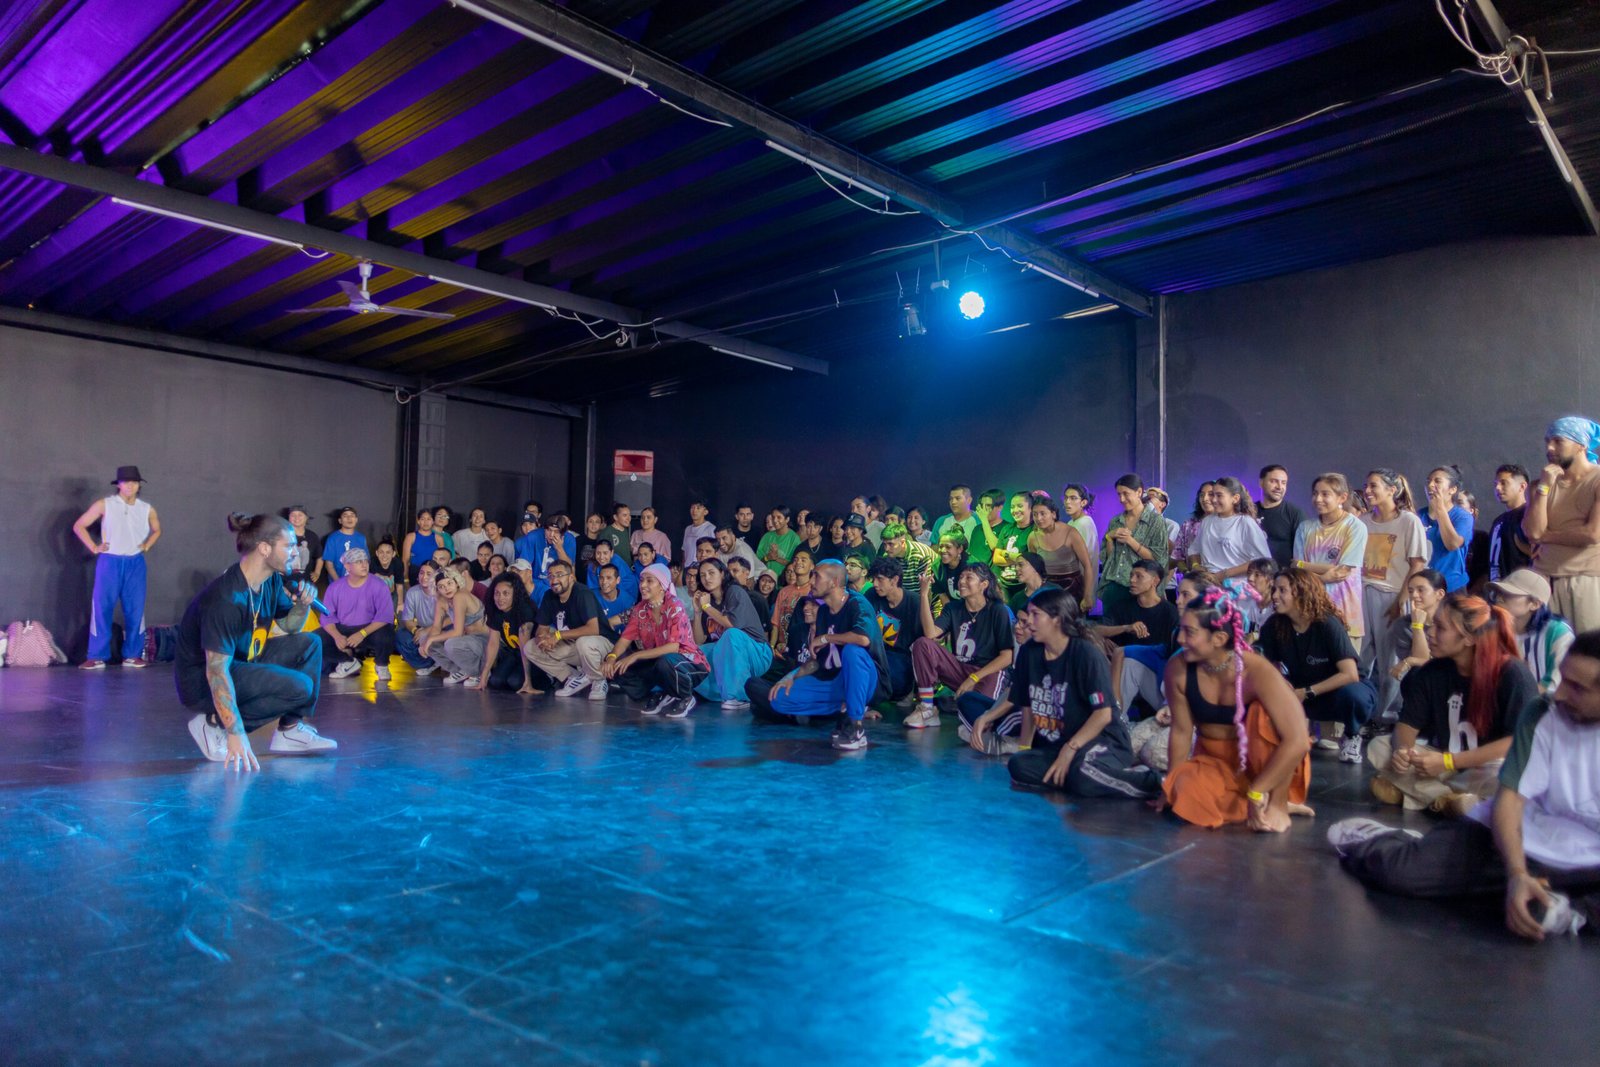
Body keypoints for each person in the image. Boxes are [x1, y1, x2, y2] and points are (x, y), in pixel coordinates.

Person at [1328, 631, 1600, 942]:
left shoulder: (1511, 674)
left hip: (1588, 862)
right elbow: (1510, 800)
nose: (1560, 693)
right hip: (1516, 840)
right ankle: (1391, 842)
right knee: (1403, 874)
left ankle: (1568, 910)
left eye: (1577, 688)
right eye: (1563, 679)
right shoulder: (1542, 713)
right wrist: (1517, 874)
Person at [176, 513, 335, 769]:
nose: (295, 552)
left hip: (244, 660)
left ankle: (290, 731)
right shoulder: (227, 598)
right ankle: (213, 725)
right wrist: (235, 732)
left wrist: (303, 605)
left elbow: (290, 627)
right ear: (264, 548)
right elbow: (216, 671)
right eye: (289, 546)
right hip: (202, 682)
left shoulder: (270, 580)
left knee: (310, 644)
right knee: (300, 687)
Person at [969, 590, 1160, 799]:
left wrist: (1070, 749)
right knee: (1019, 765)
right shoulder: (1030, 652)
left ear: (1057, 620)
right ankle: (1086, 777)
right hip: (1059, 744)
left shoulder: (1084, 654)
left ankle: (1151, 783)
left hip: (1103, 741)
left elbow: (1103, 715)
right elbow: (1028, 706)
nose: (1028, 621)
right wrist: (1023, 747)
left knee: (1081, 775)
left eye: (1035, 615)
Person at [1368, 593, 1538, 817]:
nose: (1430, 632)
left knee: (1504, 775)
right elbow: (1407, 725)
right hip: (1444, 764)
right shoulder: (1432, 671)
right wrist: (1403, 752)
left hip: (1485, 767)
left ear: (1469, 638)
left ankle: (1423, 795)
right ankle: (1451, 800)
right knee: (1380, 747)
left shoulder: (1513, 674)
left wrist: (1449, 761)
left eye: (1440, 627)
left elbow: (1515, 742)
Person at [1160, 585, 1313, 831]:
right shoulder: (1177, 668)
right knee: (1184, 791)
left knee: (1262, 716)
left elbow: (1298, 741)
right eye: (1181, 630)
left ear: (1219, 639)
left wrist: (1258, 790)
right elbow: (1181, 731)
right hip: (1215, 764)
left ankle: (1277, 802)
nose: (1179, 639)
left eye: (1189, 632)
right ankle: (1251, 803)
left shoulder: (1258, 671)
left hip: (1268, 765)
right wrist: (1170, 787)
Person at [746, 560, 883, 751]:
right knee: (778, 698)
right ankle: (842, 711)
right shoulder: (824, 612)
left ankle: (855, 726)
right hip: (833, 681)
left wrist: (825, 638)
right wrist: (792, 676)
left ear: (834, 582)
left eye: (816, 576)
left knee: (852, 651)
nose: (811, 581)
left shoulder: (857, 603)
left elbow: (863, 639)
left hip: (866, 678)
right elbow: (818, 661)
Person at [1258, 569, 1376, 764]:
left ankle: (1352, 734)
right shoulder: (1274, 625)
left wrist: (1307, 692)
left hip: (1336, 691)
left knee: (1354, 696)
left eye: (1282, 590)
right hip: (1301, 689)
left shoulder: (1327, 623)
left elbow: (1350, 674)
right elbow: (1264, 663)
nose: (1275, 596)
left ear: (1301, 592)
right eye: (1274, 590)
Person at [906, 563, 1014, 729]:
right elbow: (930, 633)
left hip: (988, 673)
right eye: (961, 577)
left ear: (984, 584)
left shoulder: (998, 610)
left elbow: (1007, 657)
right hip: (960, 669)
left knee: (980, 716)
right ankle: (927, 708)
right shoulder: (953, 607)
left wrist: (974, 678)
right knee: (922, 644)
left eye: (969, 578)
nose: (961, 581)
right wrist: (924, 594)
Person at [73, 464, 160, 669]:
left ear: (139, 485)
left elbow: (157, 530)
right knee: (102, 607)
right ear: (118, 484)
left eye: (134, 482)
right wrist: (94, 547)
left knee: (135, 609)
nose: (130, 485)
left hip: (135, 562)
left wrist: (147, 545)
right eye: (125, 482)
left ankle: (132, 655)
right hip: (110, 561)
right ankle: (96, 655)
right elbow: (79, 525)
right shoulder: (105, 504)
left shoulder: (146, 508)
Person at [1359, 469, 1429, 722]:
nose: (1367, 491)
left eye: (1374, 486)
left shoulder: (1408, 521)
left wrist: (1402, 599)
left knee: (1390, 659)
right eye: (1366, 485)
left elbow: (1417, 564)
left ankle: (1385, 716)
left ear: (1391, 490)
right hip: (1362, 593)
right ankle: (1362, 713)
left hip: (1391, 595)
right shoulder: (1363, 521)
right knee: (1360, 656)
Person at [601, 563, 708, 718]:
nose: (643, 585)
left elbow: (673, 647)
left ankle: (685, 696)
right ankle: (658, 694)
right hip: (659, 661)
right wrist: (611, 658)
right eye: (642, 580)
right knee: (617, 664)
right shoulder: (640, 609)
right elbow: (625, 639)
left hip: (689, 663)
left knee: (665, 661)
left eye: (649, 581)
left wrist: (636, 655)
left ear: (662, 586)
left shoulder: (674, 605)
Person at [1524, 416, 1600, 632]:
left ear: (1581, 445)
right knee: (1545, 646)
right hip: (1543, 580)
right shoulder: (1539, 485)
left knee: (1587, 648)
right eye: (1548, 441)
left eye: (1558, 441)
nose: (1550, 448)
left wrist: (1546, 536)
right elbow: (1533, 532)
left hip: (1586, 580)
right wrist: (1544, 487)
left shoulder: (1596, 480)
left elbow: (1592, 534)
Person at [1293, 472, 1368, 651]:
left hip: (1344, 612)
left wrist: (1305, 566)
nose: (1318, 499)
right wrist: (1322, 576)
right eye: (1315, 493)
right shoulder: (1305, 527)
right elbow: (1296, 571)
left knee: (1346, 664)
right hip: (1310, 611)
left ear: (1342, 497)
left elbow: (1342, 571)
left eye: (1325, 494)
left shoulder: (1355, 526)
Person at [521, 559, 615, 700]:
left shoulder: (582, 593)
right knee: (531, 647)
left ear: (571, 577)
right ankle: (576, 678)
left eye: (559, 575)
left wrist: (558, 635)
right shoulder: (549, 595)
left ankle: (598, 680)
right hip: (576, 646)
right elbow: (542, 628)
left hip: (603, 646)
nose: (554, 580)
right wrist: (543, 638)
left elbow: (593, 629)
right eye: (551, 576)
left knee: (584, 642)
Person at [691, 558, 772, 710]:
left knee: (731, 634)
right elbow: (699, 640)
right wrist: (698, 611)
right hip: (728, 653)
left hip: (758, 653)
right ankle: (717, 694)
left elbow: (732, 624)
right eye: (702, 575)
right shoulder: (707, 601)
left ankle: (739, 696)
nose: (707, 578)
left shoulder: (734, 591)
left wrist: (706, 607)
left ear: (722, 573)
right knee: (697, 652)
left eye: (711, 573)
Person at [1098, 474, 1171, 620]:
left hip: (1140, 591)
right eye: (1119, 494)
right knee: (1110, 630)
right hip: (1114, 586)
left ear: (1139, 492)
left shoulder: (1155, 521)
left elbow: (1159, 559)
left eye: (1126, 494)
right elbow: (1110, 559)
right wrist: (1109, 538)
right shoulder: (1116, 521)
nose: (1122, 499)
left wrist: (1131, 541)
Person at [317, 547, 396, 681]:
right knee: (315, 640)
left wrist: (362, 633)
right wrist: (337, 636)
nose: (364, 565)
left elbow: (385, 616)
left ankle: (382, 665)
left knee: (387, 631)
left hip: (369, 629)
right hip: (343, 629)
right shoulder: (335, 587)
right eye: (359, 562)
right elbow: (327, 617)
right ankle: (347, 662)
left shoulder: (379, 585)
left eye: (366, 561)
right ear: (347, 566)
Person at [1491, 569, 1575, 694]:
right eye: (1498, 593)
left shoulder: (1557, 633)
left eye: (1508, 594)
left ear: (1535, 604)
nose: (1499, 598)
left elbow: (1556, 687)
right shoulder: (1492, 628)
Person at [1188, 477, 1271, 584]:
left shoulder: (1245, 522)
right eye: (1213, 495)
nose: (1214, 500)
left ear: (1235, 498)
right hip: (1208, 584)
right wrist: (1196, 566)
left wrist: (1223, 574)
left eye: (1219, 495)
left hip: (1236, 587)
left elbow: (1262, 559)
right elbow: (1194, 550)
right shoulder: (1207, 521)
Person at [418, 569, 489, 686]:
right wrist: (426, 642)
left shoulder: (460, 596)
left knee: (451, 644)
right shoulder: (441, 601)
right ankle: (460, 671)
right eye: (441, 586)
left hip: (484, 642)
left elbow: (458, 632)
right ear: (437, 589)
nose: (446, 588)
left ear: (456, 582)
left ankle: (478, 673)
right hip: (467, 641)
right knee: (424, 639)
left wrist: (431, 639)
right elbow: (436, 627)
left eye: (449, 583)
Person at [866, 558, 920, 701]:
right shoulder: (871, 595)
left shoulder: (914, 602)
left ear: (894, 580)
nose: (875, 584)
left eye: (880, 579)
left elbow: (922, 643)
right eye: (873, 579)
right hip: (875, 653)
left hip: (901, 659)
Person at [1028, 496, 1093, 609]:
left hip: (1073, 589)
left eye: (1043, 514)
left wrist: (1087, 596)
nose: (1038, 518)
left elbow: (1087, 566)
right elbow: (1034, 570)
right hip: (1048, 591)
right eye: (1035, 514)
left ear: (1053, 514)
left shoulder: (1071, 533)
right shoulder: (1032, 537)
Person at [472, 574, 535, 691]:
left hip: (532, 656)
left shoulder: (525, 610)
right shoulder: (495, 610)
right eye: (497, 593)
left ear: (515, 594)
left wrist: (528, 682)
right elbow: (493, 643)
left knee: (515, 682)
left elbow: (525, 647)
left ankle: (547, 678)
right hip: (513, 652)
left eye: (506, 593)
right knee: (495, 681)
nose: (500, 598)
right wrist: (484, 676)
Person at [1421, 465, 1475, 592]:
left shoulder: (1463, 517)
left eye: (1437, 481)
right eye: (1428, 481)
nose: (1430, 485)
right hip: (1424, 587)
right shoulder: (1419, 515)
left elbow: (1452, 544)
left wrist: (1440, 509)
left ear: (1452, 489)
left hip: (1451, 587)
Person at [1489, 465, 1533, 582]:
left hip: (1521, 586)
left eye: (1504, 483)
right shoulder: (1498, 521)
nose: (1498, 488)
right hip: (1496, 587)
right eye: (1496, 484)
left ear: (1522, 486)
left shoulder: (1529, 515)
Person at [1257, 464, 1306, 569]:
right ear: (1261, 482)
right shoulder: (1248, 512)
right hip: (1251, 575)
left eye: (1283, 483)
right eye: (1274, 481)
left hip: (1283, 576)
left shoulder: (1294, 514)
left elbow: (1303, 556)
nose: (1279, 487)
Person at [395, 561, 440, 674]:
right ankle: (427, 664)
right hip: (421, 628)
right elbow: (407, 619)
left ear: (436, 576)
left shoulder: (442, 591)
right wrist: (416, 631)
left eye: (429, 574)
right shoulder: (412, 592)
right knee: (401, 635)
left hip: (440, 629)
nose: (424, 577)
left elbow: (450, 620)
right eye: (421, 573)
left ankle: (441, 661)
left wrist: (427, 631)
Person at [769, 547, 816, 653]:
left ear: (812, 566)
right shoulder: (784, 591)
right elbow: (775, 622)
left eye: (803, 560)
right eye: (795, 560)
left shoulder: (814, 590)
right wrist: (772, 647)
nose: (798, 562)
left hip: (803, 648)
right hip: (781, 647)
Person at [1170, 482, 1216, 582]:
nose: (1205, 499)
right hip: (1193, 581)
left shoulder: (1227, 524)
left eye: (1210, 494)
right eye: (1202, 495)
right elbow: (1178, 556)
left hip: (1220, 580)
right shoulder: (1189, 525)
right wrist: (1187, 572)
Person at [401, 507, 449, 587]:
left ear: (433, 521)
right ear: (418, 521)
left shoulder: (438, 538)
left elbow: (442, 560)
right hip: (414, 573)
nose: (426, 522)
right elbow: (405, 561)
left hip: (433, 575)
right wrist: (406, 579)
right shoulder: (411, 537)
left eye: (429, 519)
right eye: (422, 519)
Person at [1061, 484, 1100, 576]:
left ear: (1083, 502)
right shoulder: (1071, 522)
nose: (1067, 502)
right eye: (1066, 498)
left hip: (1081, 578)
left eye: (1073, 498)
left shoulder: (1084, 523)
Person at [284, 504, 324, 586]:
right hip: (284, 581)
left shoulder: (312, 536)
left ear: (306, 518)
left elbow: (320, 557)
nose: (296, 518)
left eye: (300, 515)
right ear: (288, 518)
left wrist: (317, 572)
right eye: (293, 515)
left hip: (305, 582)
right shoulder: (282, 535)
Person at [323, 506, 366, 580]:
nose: (349, 518)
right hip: (338, 582)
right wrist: (339, 582)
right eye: (345, 516)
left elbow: (365, 560)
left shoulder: (361, 538)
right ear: (340, 520)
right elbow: (328, 564)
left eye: (352, 515)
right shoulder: (333, 538)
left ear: (356, 520)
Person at [756, 506, 801, 571]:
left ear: (787, 519)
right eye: (773, 517)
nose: (775, 520)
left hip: (785, 577)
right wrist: (767, 557)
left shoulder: (794, 538)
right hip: (767, 576)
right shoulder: (767, 536)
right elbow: (757, 562)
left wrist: (776, 558)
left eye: (779, 517)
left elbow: (796, 564)